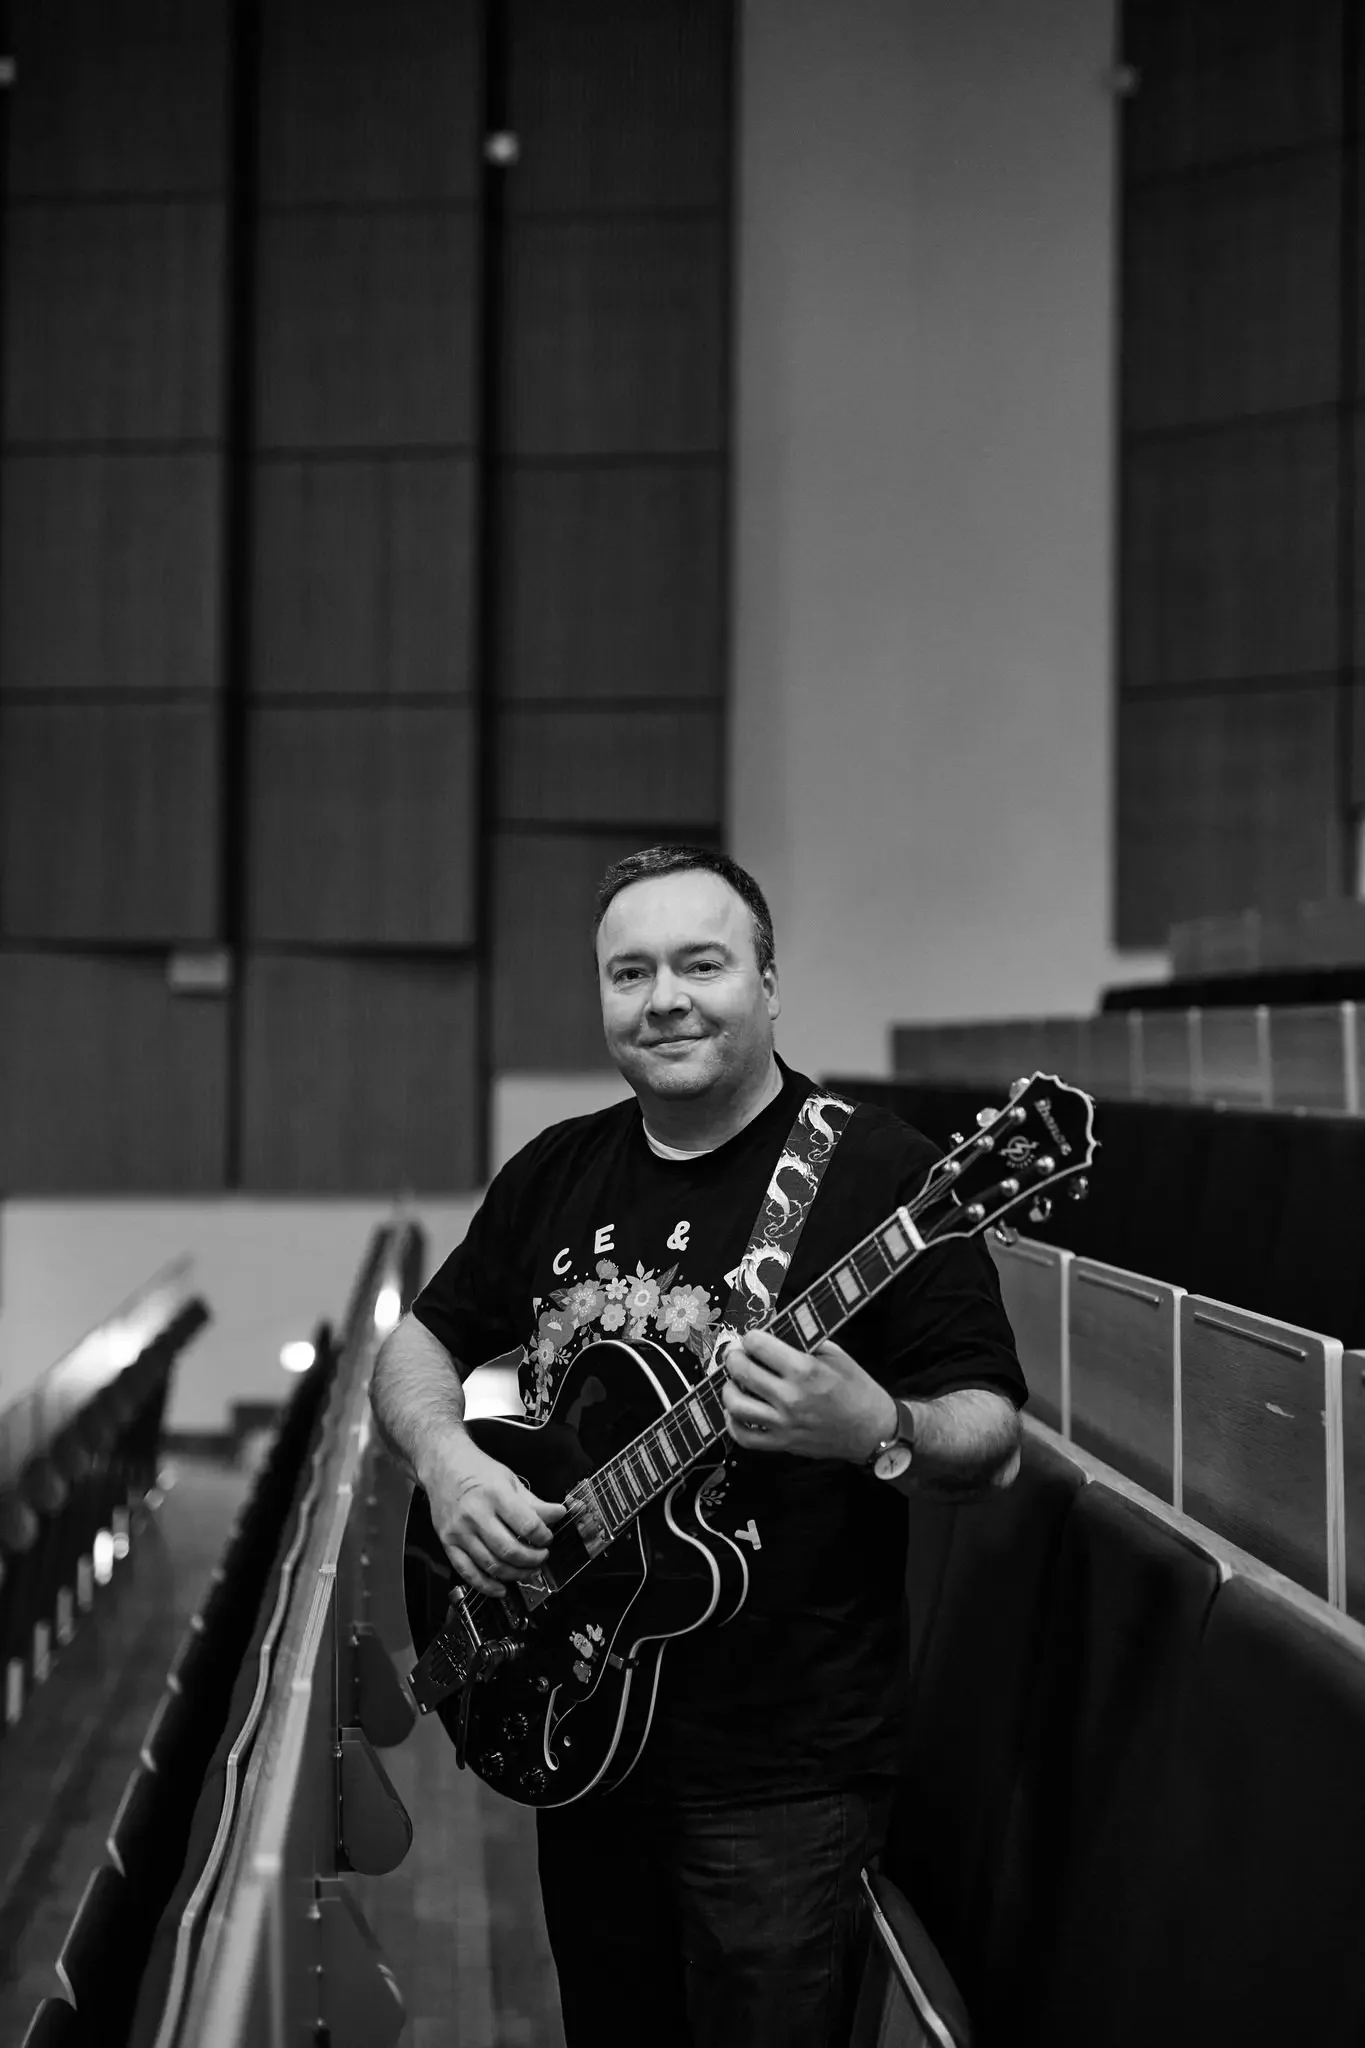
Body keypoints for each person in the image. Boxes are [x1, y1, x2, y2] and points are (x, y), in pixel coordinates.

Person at [370, 844, 1026, 2048]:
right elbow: (415, 1347)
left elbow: (990, 1437)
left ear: (768, 983)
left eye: (700, 962)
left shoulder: (884, 1174)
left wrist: (876, 1428)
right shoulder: (559, 1168)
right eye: (631, 971)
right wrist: (450, 1457)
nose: (663, 995)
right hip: (578, 1709)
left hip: (781, 1772)